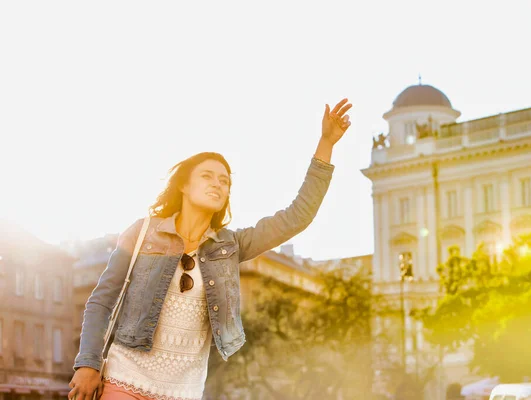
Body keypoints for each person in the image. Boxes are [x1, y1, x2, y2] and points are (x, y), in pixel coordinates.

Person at [68, 98, 353, 400]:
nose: (217, 184)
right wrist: (87, 363)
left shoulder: (230, 247)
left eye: (225, 181)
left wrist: (326, 143)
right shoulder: (142, 233)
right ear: (184, 185)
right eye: (207, 176)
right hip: (125, 380)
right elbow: (101, 301)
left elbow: (298, 215)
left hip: (184, 392)